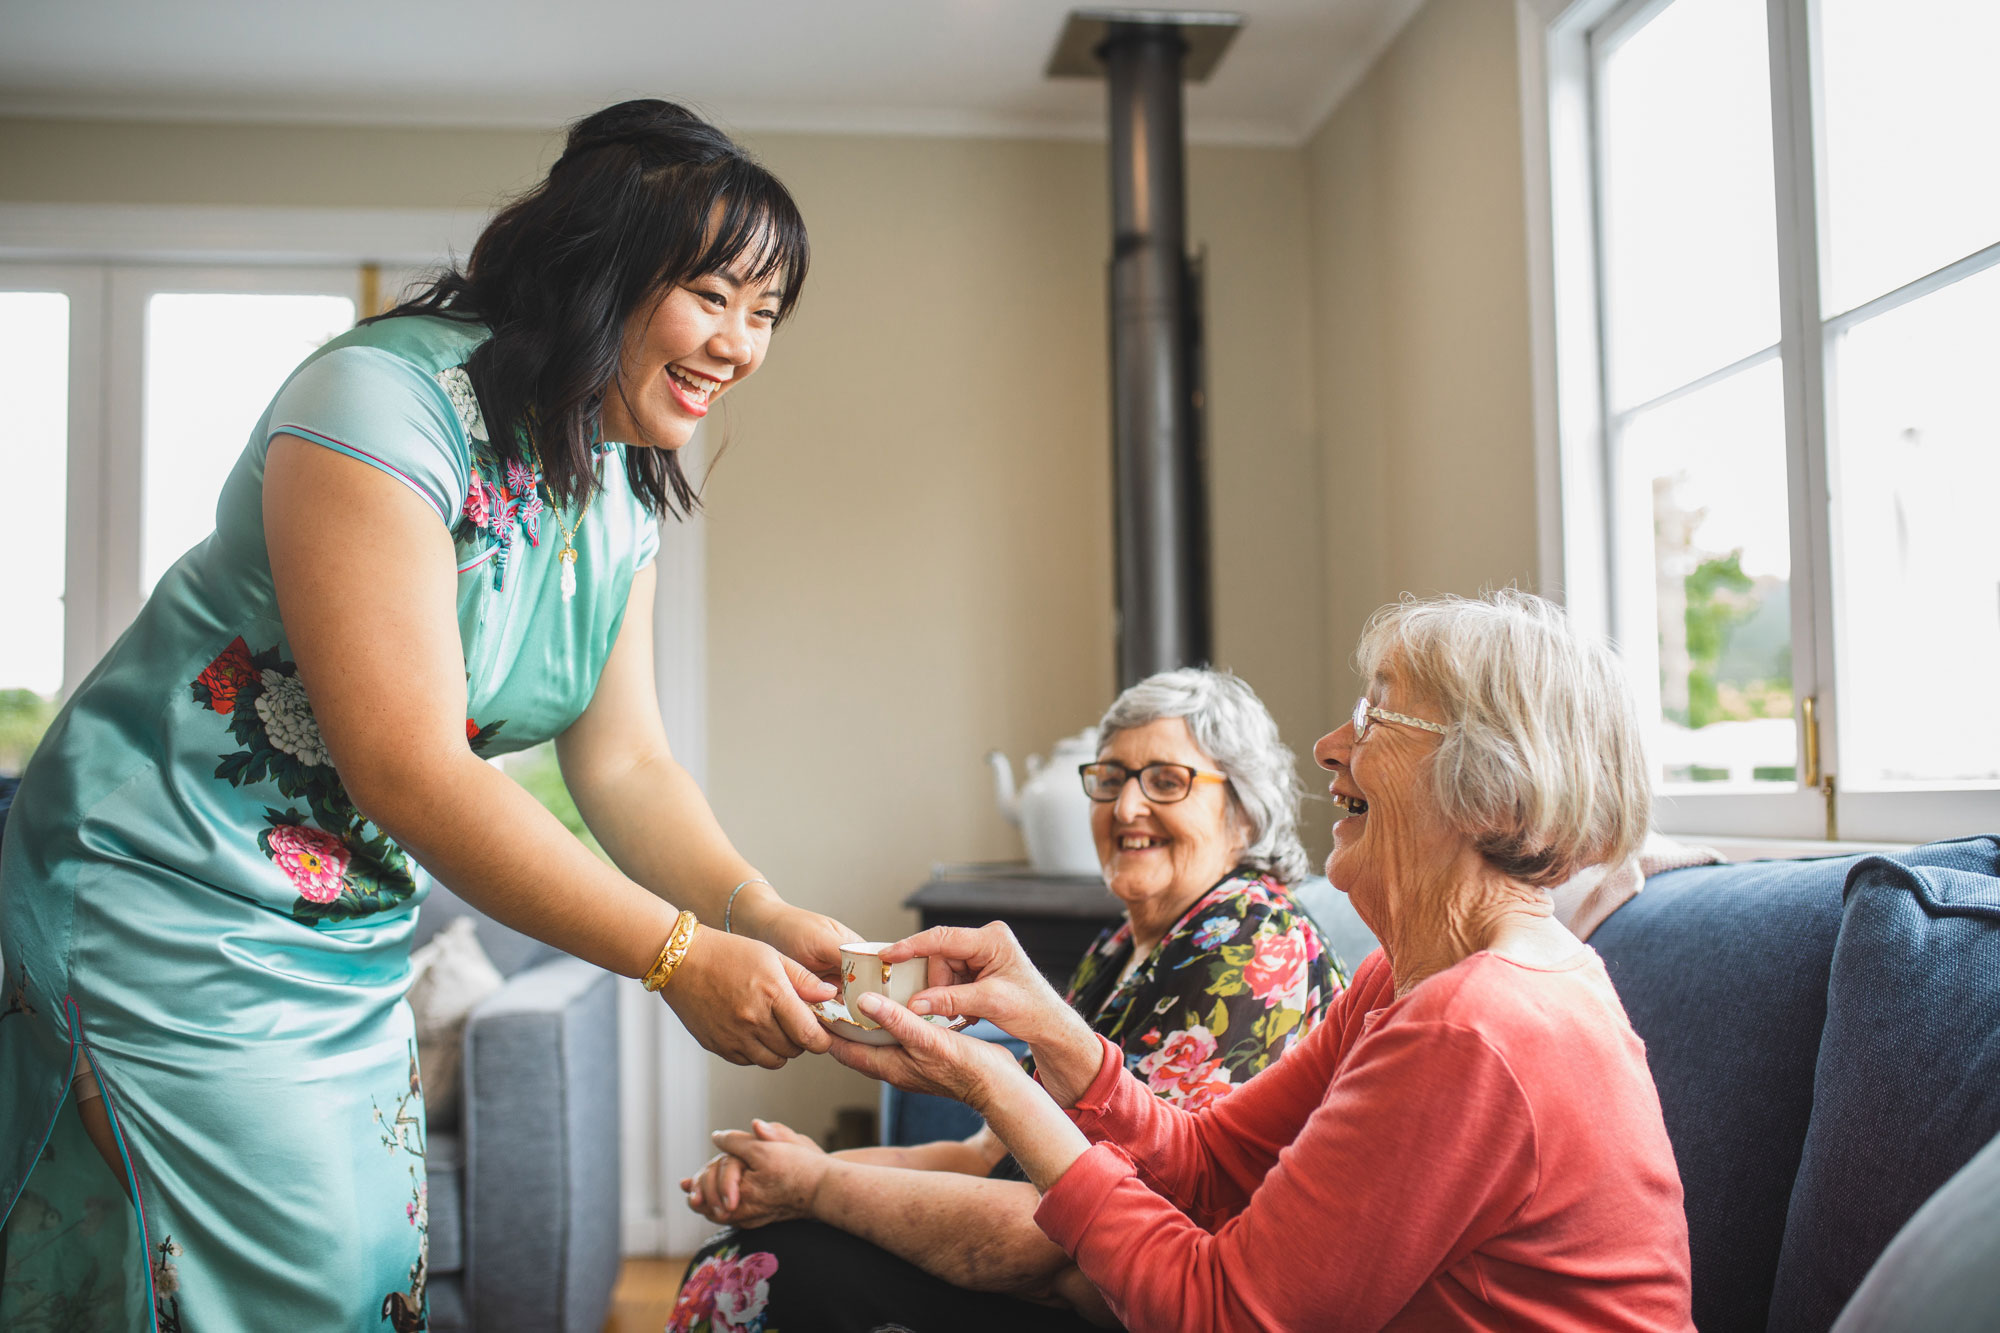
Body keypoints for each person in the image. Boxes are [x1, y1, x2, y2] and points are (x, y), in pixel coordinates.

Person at [0, 100, 856, 1330]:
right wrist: (676, 957)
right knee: (253, 1286)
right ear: (601, 265)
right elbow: (409, 769)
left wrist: (754, 913)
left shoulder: (616, 484)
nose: (739, 344)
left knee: (356, 1276)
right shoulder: (378, 404)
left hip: (341, 928)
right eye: (713, 295)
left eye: (765, 314)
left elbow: (625, 764)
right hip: (158, 890)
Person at [834, 591, 1696, 1332]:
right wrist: (1044, 1027)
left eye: (1374, 716)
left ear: (1493, 784)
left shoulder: (1475, 1024)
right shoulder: (1403, 983)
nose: (1327, 746)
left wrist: (995, 1081)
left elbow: (1222, 1315)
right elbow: (1209, 1165)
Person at [669, 668, 1341, 1332]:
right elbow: (981, 1154)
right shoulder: (1119, 949)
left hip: (1127, 1303)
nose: (1126, 808)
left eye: (1166, 780)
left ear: (1244, 811)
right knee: (750, 1256)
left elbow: (1072, 1230)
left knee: (758, 1274)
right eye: (1110, 778)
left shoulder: (1251, 943)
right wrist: (799, 1170)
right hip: (1055, 1265)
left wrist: (815, 1189)